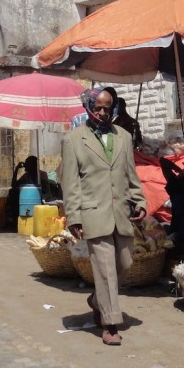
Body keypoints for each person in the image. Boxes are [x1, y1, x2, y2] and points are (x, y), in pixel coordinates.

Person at [61, 87, 147, 346]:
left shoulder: (123, 136)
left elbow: (130, 174)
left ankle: (97, 301)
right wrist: (73, 216)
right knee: (106, 270)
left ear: (114, 109)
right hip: (93, 213)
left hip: (120, 212)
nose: (102, 112)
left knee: (125, 263)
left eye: (107, 108)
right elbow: (70, 182)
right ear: (88, 107)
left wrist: (139, 200)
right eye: (97, 107)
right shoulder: (74, 140)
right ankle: (110, 323)